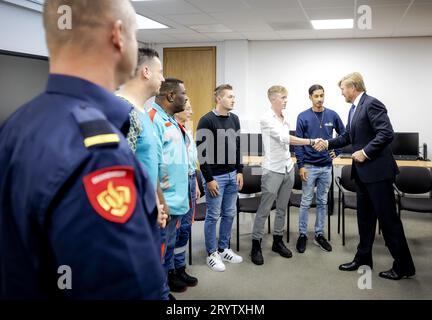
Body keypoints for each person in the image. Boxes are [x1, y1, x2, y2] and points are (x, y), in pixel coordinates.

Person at [0, 0, 166, 299]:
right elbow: (126, 290)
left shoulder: (17, 124)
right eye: (135, 34)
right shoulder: (100, 154)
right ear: (117, 35)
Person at [314, 72, 415, 280]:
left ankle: (404, 266)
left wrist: (366, 152)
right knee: (365, 220)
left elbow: (386, 133)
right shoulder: (353, 109)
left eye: (343, 88)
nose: (341, 92)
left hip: (378, 173)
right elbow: (349, 137)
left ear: (354, 87)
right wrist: (327, 143)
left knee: (388, 221)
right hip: (363, 175)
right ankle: (363, 258)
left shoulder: (371, 104)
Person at [250, 85, 317, 266]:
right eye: (283, 97)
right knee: (264, 209)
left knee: (282, 208)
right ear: (273, 99)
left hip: (288, 168)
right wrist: (311, 141)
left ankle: (277, 241)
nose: (286, 100)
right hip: (272, 170)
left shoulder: (285, 118)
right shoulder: (266, 119)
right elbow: (286, 139)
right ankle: (256, 244)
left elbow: (287, 144)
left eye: (286, 97)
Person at [116, 47, 169, 228]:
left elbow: (145, 164)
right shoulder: (122, 112)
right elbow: (120, 173)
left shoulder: (143, 112)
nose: (162, 78)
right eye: (160, 72)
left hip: (146, 209)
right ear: (146, 72)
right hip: (132, 216)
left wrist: (155, 201)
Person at [197, 84, 244, 272]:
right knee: (213, 215)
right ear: (218, 99)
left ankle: (224, 248)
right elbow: (202, 153)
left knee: (229, 213)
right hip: (215, 178)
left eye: (234, 96)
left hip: (233, 175)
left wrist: (240, 170)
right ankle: (212, 253)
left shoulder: (235, 119)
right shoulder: (206, 120)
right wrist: (208, 179)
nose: (233, 100)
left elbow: (239, 146)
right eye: (230, 97)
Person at [294, 85, 346, 254]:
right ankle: (302, 235)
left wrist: (336, 152)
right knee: (306, 201)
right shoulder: (303, 116)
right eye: (316, 96)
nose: (320, 99)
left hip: (326, 167)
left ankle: (319, 234)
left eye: (322, 95)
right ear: (310, 97)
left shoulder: (332, 114)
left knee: (323, 202)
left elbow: (345, 135)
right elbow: (298, 144)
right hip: (309, 166)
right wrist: (301, 165)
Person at [150, 78, 190, 293]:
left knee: (168, 249)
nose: (186, 98)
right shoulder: (153, 119)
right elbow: (151, 165)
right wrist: (160, 202)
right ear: (171, 96)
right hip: (164, 202)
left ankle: (165, 285)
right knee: (159, 251)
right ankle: (159, 292)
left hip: (177, 199)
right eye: (183, 93)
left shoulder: (171, 119)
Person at [172, 99, 201, 287]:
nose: (191, 111)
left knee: (185, 228)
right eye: (187, 108)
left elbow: (192, 161)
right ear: (177, 110)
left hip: (190, 180)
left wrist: (196, 184)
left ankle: (180, 267)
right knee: (175, 229)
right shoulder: (172, 129)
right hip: (178, 183)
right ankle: (170, 270)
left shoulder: (187, 130)